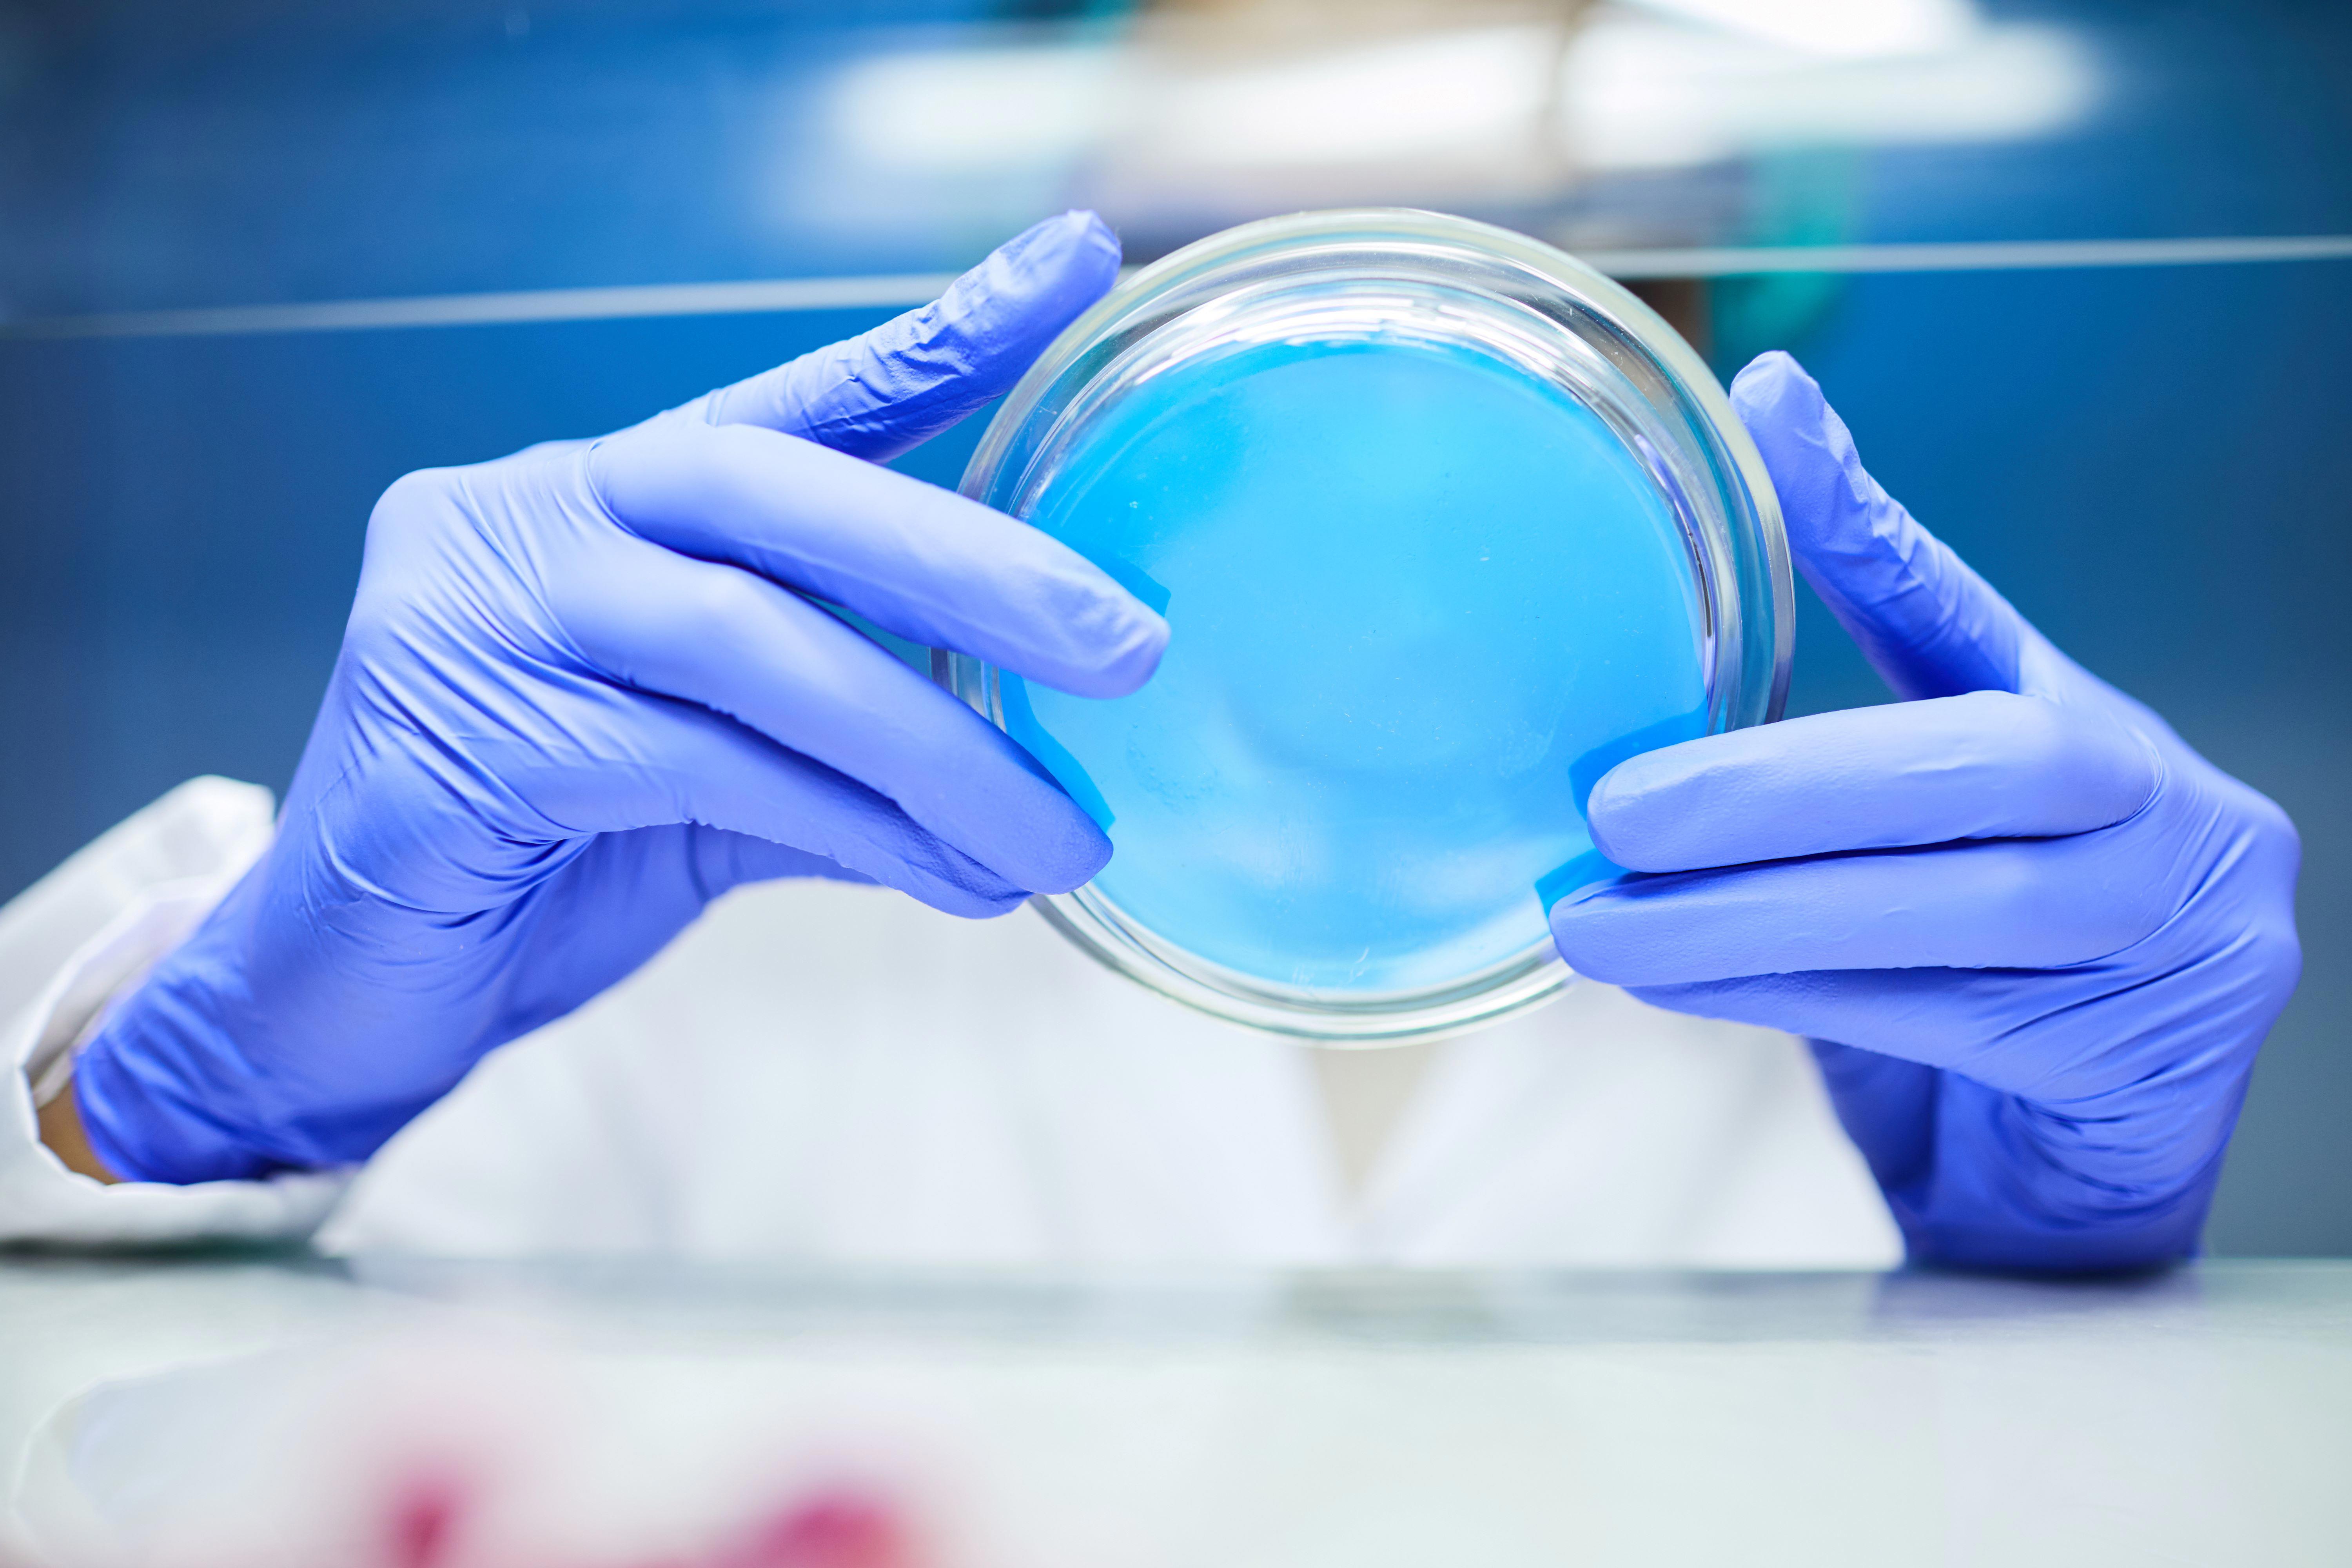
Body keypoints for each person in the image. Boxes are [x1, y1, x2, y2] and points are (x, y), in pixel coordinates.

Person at [0, 213, 2300, 1270]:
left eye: (1517, 249)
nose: (1376, 399)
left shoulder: (1910, 956)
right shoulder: (712, 876)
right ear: (1099, 326)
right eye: (1256, 242)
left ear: (1679, 324)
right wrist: (202, 1088)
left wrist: (2072, 1284)